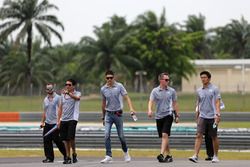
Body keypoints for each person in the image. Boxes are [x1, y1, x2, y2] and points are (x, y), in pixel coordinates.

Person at [100, 70, 136, 163]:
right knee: (106, 135)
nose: (109, 79)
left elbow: (127, 97)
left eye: (111, 78)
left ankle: (126, 152)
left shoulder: (119, 86)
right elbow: (103, 103)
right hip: (108, 114)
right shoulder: (103, 89)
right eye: (107, 78)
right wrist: (103, 117)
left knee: (121, 136)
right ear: (105, 78)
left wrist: (131, 108)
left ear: (114, 78)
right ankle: (108, 155)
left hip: (118, 114)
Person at [189, 71, 221, 163]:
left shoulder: (215, 89)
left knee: (213, 136)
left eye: (205, 77)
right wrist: (197, 115)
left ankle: (215, 156)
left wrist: (217, 114)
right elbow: (198, 103)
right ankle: (195, 155)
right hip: (202, 116)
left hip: (213, 117)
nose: (203, 79)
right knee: (198, 135)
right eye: (201, 77)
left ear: (209, 78)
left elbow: (217, 102)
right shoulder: (199, 90)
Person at [148, 72, 180, 163]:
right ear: (161, 80)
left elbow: (175, 103)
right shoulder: (155, 91)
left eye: (168, 80)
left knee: (164, 135)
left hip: (168, 115)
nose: (168, 81)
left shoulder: (172, 91)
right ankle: (169, 155)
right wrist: (149, 110)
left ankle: (161, 154)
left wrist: (176, 115)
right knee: (164, 137)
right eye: (166, 80)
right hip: (158, 116)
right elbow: (151, 101)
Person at [40, 83, 66, 163]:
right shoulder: (45, 99)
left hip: (56, 123)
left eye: (50, 89)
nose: (49, 90)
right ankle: (49, 157)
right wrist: (42, 122)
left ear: (53, 89)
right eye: (47, 89)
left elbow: (61, 110)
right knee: (46, 140)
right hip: (47, 123)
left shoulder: (58, 98)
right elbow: (45, 112)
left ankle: (66, 155)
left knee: (57, 140)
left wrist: (59, 121)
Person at [57, 79, 81, 164]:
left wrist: (69, 94)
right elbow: (60, 107)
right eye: (66, 84)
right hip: (64, 118)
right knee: (64, 139)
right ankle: (68, 156)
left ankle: (74, 153)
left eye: (69, 85)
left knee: (71, 138)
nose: (67, 86)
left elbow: (77, 98)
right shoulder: (62, 95)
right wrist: (58, 120)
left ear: (73, 86)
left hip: (73, 118)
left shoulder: (77, 93)